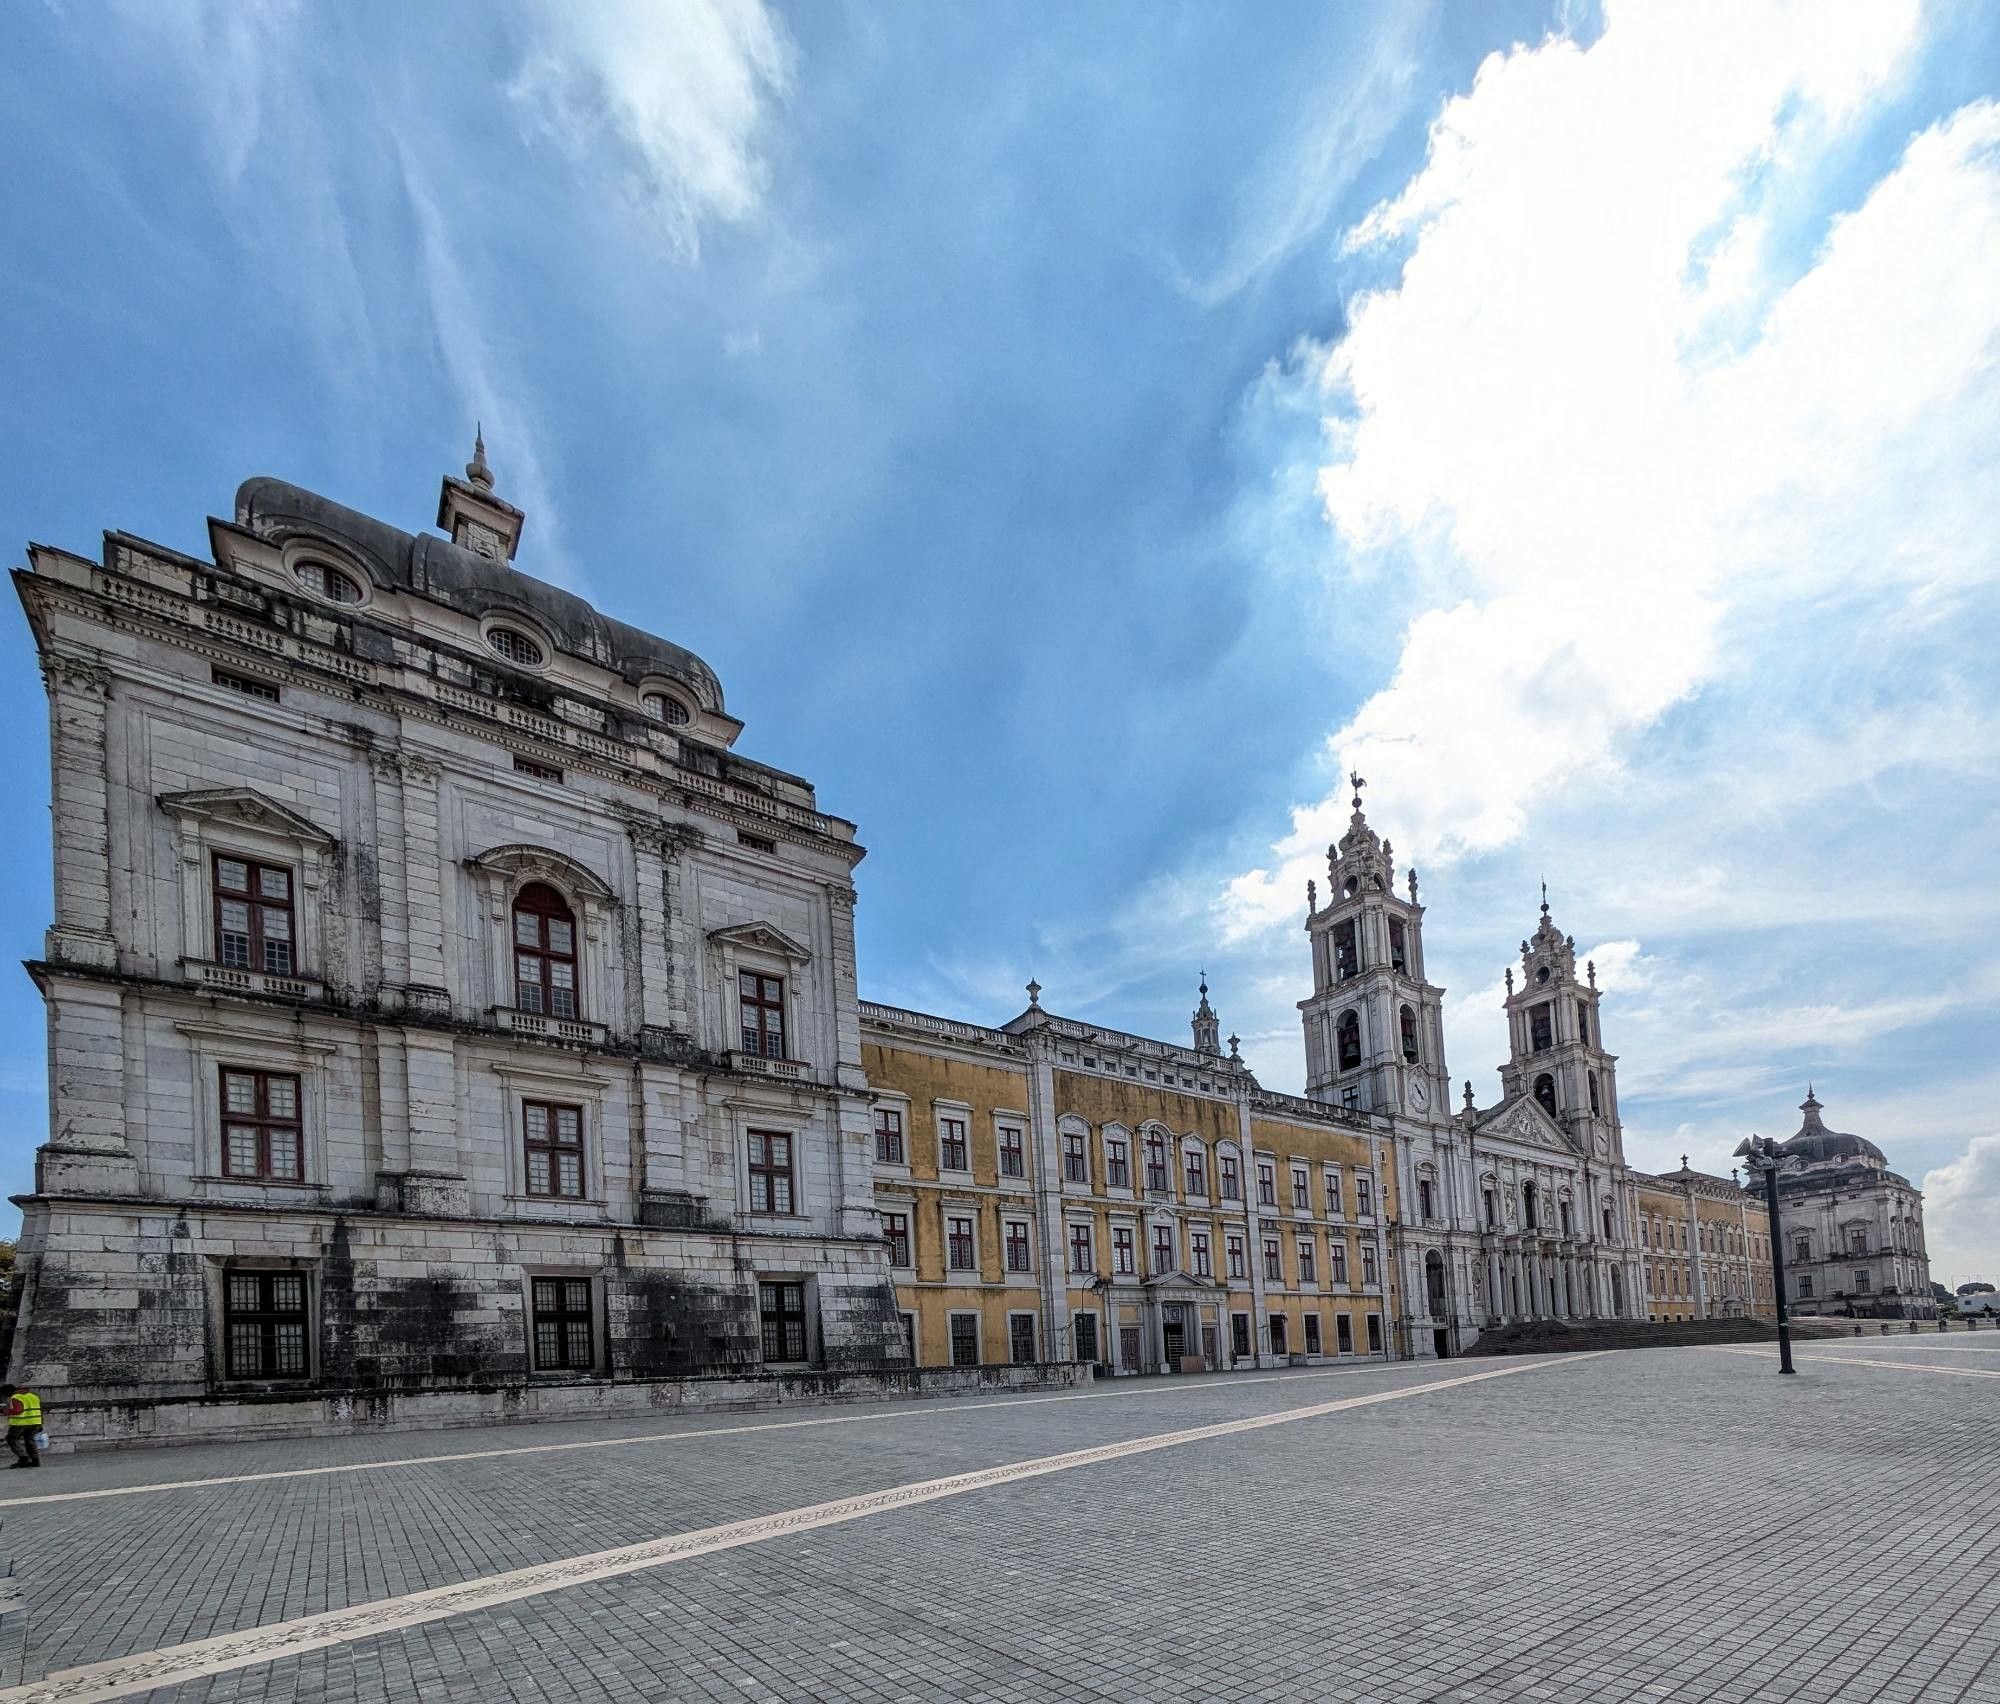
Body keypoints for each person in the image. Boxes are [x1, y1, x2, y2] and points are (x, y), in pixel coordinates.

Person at [1, 1385, 43, 1468]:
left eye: (5, 1394)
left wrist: (4, 1411)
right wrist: (41, 1423)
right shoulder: (33, 1396)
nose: (6, 1396)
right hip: (35, 1422)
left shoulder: (16, 1397)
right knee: (29, 1441)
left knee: (12, 1439)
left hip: (21, 1423)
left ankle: (23, 1458)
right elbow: (39, 1410)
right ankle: (35, 1461)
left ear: (8, 1392)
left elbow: (18, 1410)